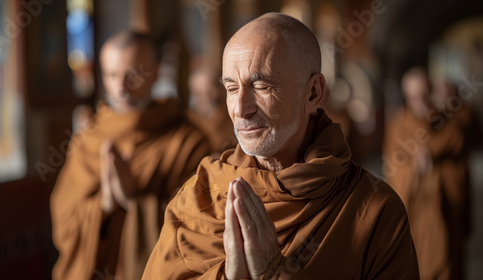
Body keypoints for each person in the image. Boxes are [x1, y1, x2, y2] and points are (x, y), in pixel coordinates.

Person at [143, 13, 419, 279]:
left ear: (313, 93)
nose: (240, 108)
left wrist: (274, 271)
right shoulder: (199, 195)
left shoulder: (374, 209)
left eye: (261, 86)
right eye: (231, 88)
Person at [50, 30, 210, 280]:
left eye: (132, 76)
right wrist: (105, 204)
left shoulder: (188, 142)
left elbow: (197, 229)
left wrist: (132, 199)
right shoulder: (88, 138)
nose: (120, 87)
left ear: (155, 73)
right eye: (111, 75)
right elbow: (63, 219)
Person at [383, 69, 476, 279]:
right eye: (414, 97)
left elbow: (461, 164)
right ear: (407, 97)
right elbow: (392, 171)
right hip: (415, 214)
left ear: (431, 92)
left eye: (425, 95)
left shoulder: (449, 122)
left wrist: (435, 161)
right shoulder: (397, 127)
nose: (421, 102)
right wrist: (415, 167)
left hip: (446, 211)